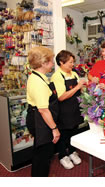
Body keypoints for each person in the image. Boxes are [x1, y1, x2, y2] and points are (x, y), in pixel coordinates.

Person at [26, 46, 60, 177]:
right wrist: (54, 129)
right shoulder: (38, 82)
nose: (53, 63)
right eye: (51, 61)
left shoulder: (39, 77)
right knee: (43, 156)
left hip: (40, 119)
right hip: (41, 122)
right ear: (43, 63)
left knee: (41, 155)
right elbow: (43, 110)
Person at [51, 50, 86, 170]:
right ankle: (63, 155)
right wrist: (77, 86)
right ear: (61, 62)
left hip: (75, 109)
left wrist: (85, 88)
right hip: (63, 111)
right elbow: (61, 97)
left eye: (73, 62)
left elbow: (79, 91)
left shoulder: (74, 74)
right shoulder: (57, 76)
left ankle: (72, 151)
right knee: (63, 134)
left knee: (74, 131)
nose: (73, 64)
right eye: (70, 62)